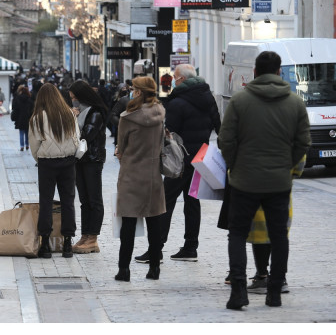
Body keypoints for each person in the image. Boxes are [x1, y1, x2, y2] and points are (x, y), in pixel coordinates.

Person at [218, 51, 310, 309]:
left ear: (255, 72)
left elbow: (226, 141)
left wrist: (236, 165)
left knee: (236, 234)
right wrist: (286, 166)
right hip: (279, 183)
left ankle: (238, 292)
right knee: (279, 236)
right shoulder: (295, 103)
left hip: (243, 182)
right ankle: (274, 293)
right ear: (279, 72)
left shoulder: (239, 101)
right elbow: (303, 142)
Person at [134, 64, 221, 264]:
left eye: (175, 77)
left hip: (179, 160)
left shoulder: (178, 102)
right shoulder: (209, 98)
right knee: (192, 202)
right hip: (200, 158)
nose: (173, 80)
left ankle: (156, 249)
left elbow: (169, 133)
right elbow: (219, 127)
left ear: (182, 80)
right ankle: (191, 247)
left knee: (165, 202)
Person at [114, 77, 166, 282]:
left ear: (139, 91)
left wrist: (121, 154)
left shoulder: (128, 118)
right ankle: (154, 268)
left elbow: (122, 148)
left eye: (133, 89)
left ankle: (124, 270)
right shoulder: (160, 113)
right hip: (153, 174)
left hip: (132, 174)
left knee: (127, 224)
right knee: (154, 223)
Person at [28, 83, 80, 259]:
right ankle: (67, 244)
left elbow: (34, 145)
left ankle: (45, 244)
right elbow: (76, 138)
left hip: (47, 164)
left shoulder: (37, 118)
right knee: (68, 202)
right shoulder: (69, 115)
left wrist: (40, 158)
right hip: (68, 162)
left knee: (46, 201)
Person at [68, 80, 108, 254]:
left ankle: (93, 237)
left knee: (94, 199)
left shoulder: (95, 112)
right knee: (84, 200)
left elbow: (87, 135)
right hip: (79, 160)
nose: (73, 100)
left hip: (92, 159)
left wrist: (73, 119)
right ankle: (85, 235)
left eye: (75, 97)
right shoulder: (81, 111)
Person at [11, 86, 34, 151]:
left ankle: (21, 146)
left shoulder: (17, 99)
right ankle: (27, 145)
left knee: (21, 132)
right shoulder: (29, 100)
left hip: (20, 118)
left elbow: (14, 108)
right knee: (27, 132)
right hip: (27, 118)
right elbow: (32, 109)